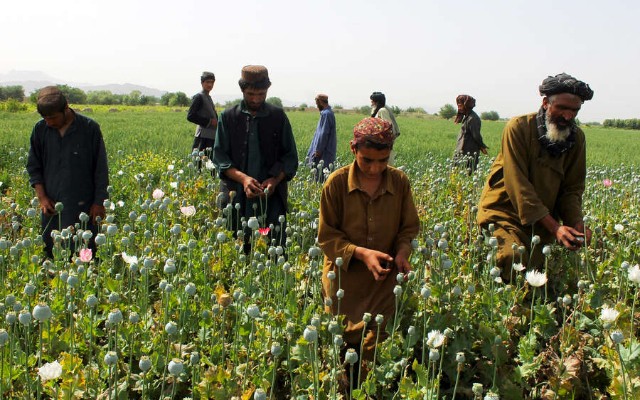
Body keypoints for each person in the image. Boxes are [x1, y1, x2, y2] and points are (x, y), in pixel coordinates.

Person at [318, 117, 419, 379]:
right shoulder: (336, 184)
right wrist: (361, 253)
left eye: (383, 161)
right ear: (354, 150)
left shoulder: (400, 183)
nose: (375, 169)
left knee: (376, 352)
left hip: (383, 281)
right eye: (367, 160)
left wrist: (402, 253)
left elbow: (407, 229)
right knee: (345, 353)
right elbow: (327, 238)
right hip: (344, 283)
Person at [477, 73, 594, 279]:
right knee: (512, 258)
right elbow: (518, 185)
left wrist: (575, 223)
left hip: (541, 220)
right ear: (546, 103)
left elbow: (572, 189)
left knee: (535, 268)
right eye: (562, 108)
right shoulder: (519, 128)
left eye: (574, 110)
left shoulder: (577, 139)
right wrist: (556, 227)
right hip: (504, 213)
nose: (568, 116)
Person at [213, 65, 298, 250]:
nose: (256, 99)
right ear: (242, 90)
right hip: (235, 197)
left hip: (270, 199)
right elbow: (219, 156)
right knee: (236, 246)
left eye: (261, 94)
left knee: (270, 245)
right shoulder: (228, 117)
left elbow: (290, 157)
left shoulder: (278, 117)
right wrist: (243, 179)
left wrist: (275, 180)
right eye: (251, 94)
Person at [26, 86, 109, 258]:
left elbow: (101, 169)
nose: (49, 122)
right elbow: (34, 166)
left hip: (84, 206)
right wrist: (42, 198)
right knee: (53, 253)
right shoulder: (40, 130)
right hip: (52, 207)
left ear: (66, 109)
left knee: (85, 253)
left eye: (53, 117)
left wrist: (99, 202)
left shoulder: (89, 128)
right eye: (45, 118)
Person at [305, 93, 337, 181]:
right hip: (325, 150)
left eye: (317, 103)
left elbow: (323, 133)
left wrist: (318, 149)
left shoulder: (326, 114)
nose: (316, 106)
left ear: (320, 102)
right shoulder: (328, 113)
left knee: (320, 176)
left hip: (323, 151)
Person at [453, 94, 488, 174]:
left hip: (469, 151)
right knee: (455, 174)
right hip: (461, 150)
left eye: (460, 105)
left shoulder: (473, 118)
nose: (459, 108)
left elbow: (476, 135)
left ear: (467, 106)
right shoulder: (467, 117)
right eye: (458, 105)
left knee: (468, 173)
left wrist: (482, 147)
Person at [187, 71, 218, 159]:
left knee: (210, 165)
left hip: (211, 136)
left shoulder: (208, 97)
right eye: (207, 82)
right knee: (199, 165)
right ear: (202, 83)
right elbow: (190, 116)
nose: (210, 85)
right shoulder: (199, 97)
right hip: (203, 137)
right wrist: (209, 121)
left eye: (212, 82)